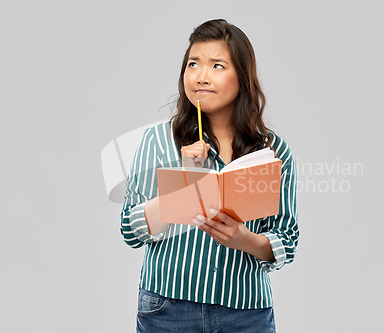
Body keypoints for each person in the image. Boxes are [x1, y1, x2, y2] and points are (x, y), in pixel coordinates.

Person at [121, 19, 299, 333]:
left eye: (217, 65)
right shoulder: (159, 141)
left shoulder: (272, 150)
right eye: (193, 64)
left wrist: (245, 239)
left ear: (242, 77)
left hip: (246, 313)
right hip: (167, 308)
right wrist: (185, 187)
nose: (202, 76)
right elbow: (130, 229)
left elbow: (286, 238)